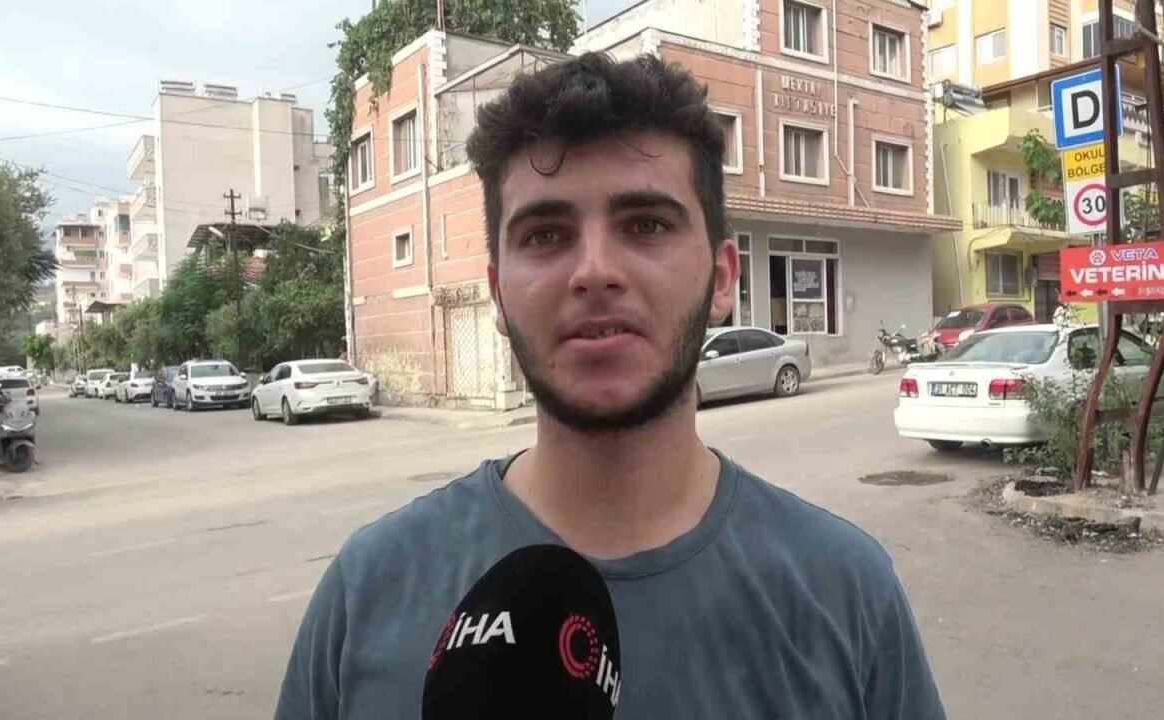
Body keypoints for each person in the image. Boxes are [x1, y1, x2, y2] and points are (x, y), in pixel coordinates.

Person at [275, 53, 944, 719]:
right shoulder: (367, 592)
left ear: (722, 279)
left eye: (646, 225)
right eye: (545, 235)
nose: (594, 272)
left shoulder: (847, 593)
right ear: (498, 293)